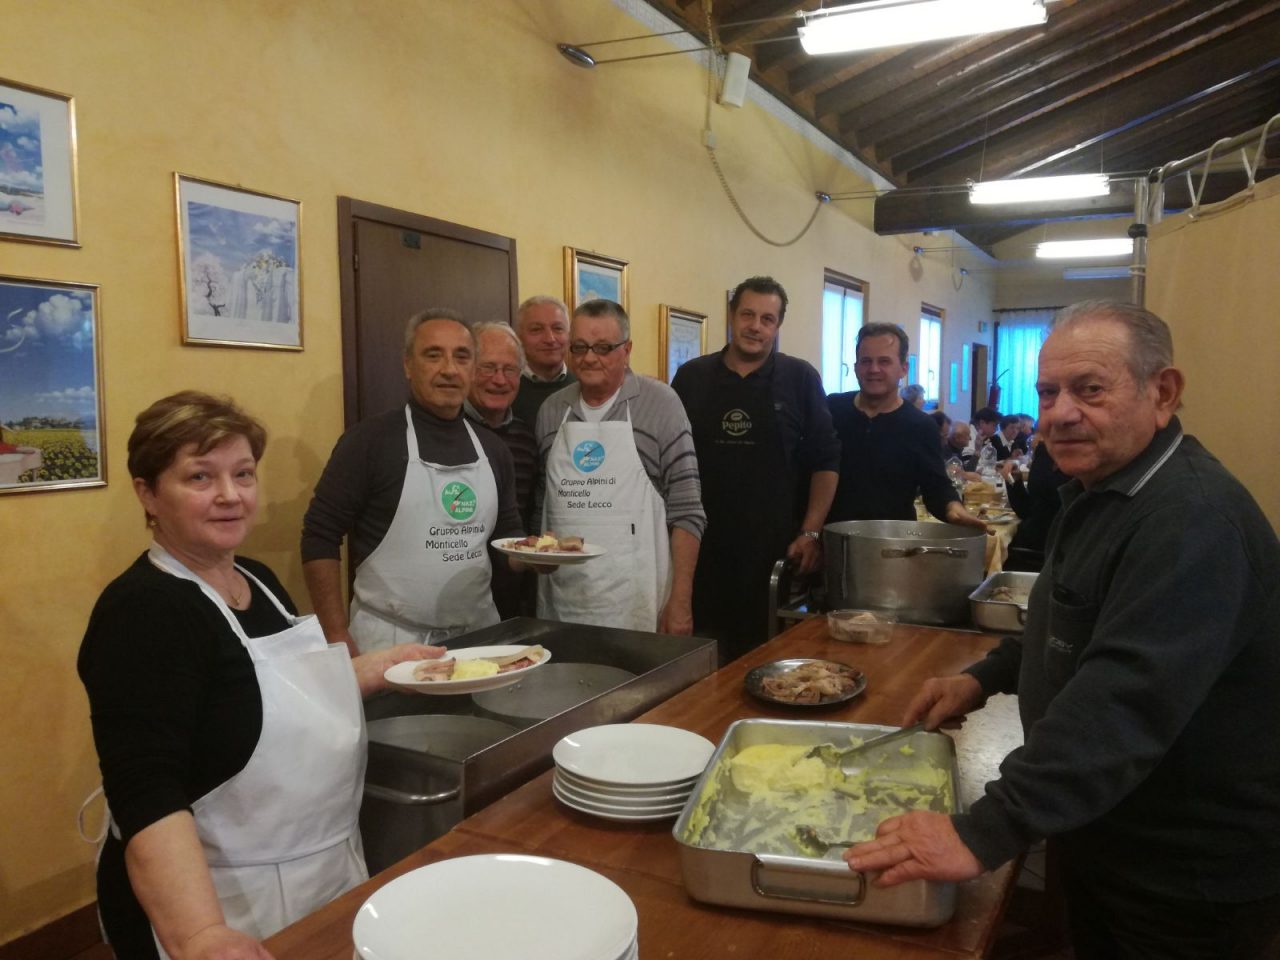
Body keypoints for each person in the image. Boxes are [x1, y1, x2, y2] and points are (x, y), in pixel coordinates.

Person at [844, 301, 1280, 959]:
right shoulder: (1103, 488)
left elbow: (1123, 706)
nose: (1061, 412)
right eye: (1049, 391)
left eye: (1090, 389)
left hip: (1186, 874)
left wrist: (982, 832)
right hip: (1107, 826)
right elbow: (1068, 618)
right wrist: (982, 680)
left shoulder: (1192, 522)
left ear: (1163, 393)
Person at [78, 392, 443, 960]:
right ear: (147, 492)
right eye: (200, 477)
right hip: (223, 902)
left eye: (243, 474)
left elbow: (267, 700)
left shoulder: (257, 579)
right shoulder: (144, 612)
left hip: (322, 869)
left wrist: (371, 670)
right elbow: (145, 793)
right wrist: (200, 935)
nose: (230, 496)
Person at [301, 308, 526, 654]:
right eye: (433, 355)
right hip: (389, 641)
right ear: (408, 365)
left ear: (472, 369)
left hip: (478, 638)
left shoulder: (493, 449)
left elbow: (506, 537)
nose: (449, 369)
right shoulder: (369, 442)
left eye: (462, 356)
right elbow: (319, 535)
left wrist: (536, 557)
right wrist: (334, 634)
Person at [671, 276, 840, 660]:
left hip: (773, 549)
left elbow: (825, 461)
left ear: (778, 326)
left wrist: (811, 532)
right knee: (698, 656)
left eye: (768, 318)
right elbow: (670, 459)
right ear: (731, 315)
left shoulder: (801, 378)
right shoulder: (692, 377)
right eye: (748, 314)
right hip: (700, 547)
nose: (756, 326)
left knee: (763, 659)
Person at [534, 299, 705, 634]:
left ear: (627, 349)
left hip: (638, 606)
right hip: (563, 604)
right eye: (579, 347)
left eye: (603, 347)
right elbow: (544, 503)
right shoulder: (552, 411)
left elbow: (688, 511)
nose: (589, 358)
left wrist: (681, 603)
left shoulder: (660, 405)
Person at [827, 322, 984, 529]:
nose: (873, 369)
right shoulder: (831, 409)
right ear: (856, 367)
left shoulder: (920, 426)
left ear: (903, 368)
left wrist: (954, 509)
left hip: (893, 545)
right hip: (831, 540)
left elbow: (936, 486)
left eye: (884, 361)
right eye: (866, 361)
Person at [464, 320, 539, 618]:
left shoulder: (526, 437)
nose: (499, 379)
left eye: (510, 370)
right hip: (454, 591)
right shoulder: (447, 431)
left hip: (509, 594)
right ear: (468, 369)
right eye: (487, 368)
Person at [510, 295, 575, 428]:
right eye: (536, 329)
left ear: (569, 336)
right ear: (518, 337)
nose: (550, 339)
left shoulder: (584, 389)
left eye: (557, 328)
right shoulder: (505, 390)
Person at [998, 444, 1068, 565]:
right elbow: (1027, 510)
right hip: (1029, 546)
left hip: (1065, 549)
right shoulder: (1043, 451)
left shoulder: (1084, 456)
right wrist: (1015, 481)